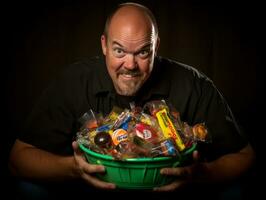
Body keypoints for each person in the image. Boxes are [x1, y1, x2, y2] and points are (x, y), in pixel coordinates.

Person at [8, 2, 255, 199]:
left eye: (143, 52)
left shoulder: (194, 85)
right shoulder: (74, 81)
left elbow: (245, 157)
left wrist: (203, 174)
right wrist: (73, 168)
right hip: (87, 193)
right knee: (28, 190)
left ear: (156, 46)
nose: (130, 65)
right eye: (119, 51)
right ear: (104, 45)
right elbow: (18, 159)